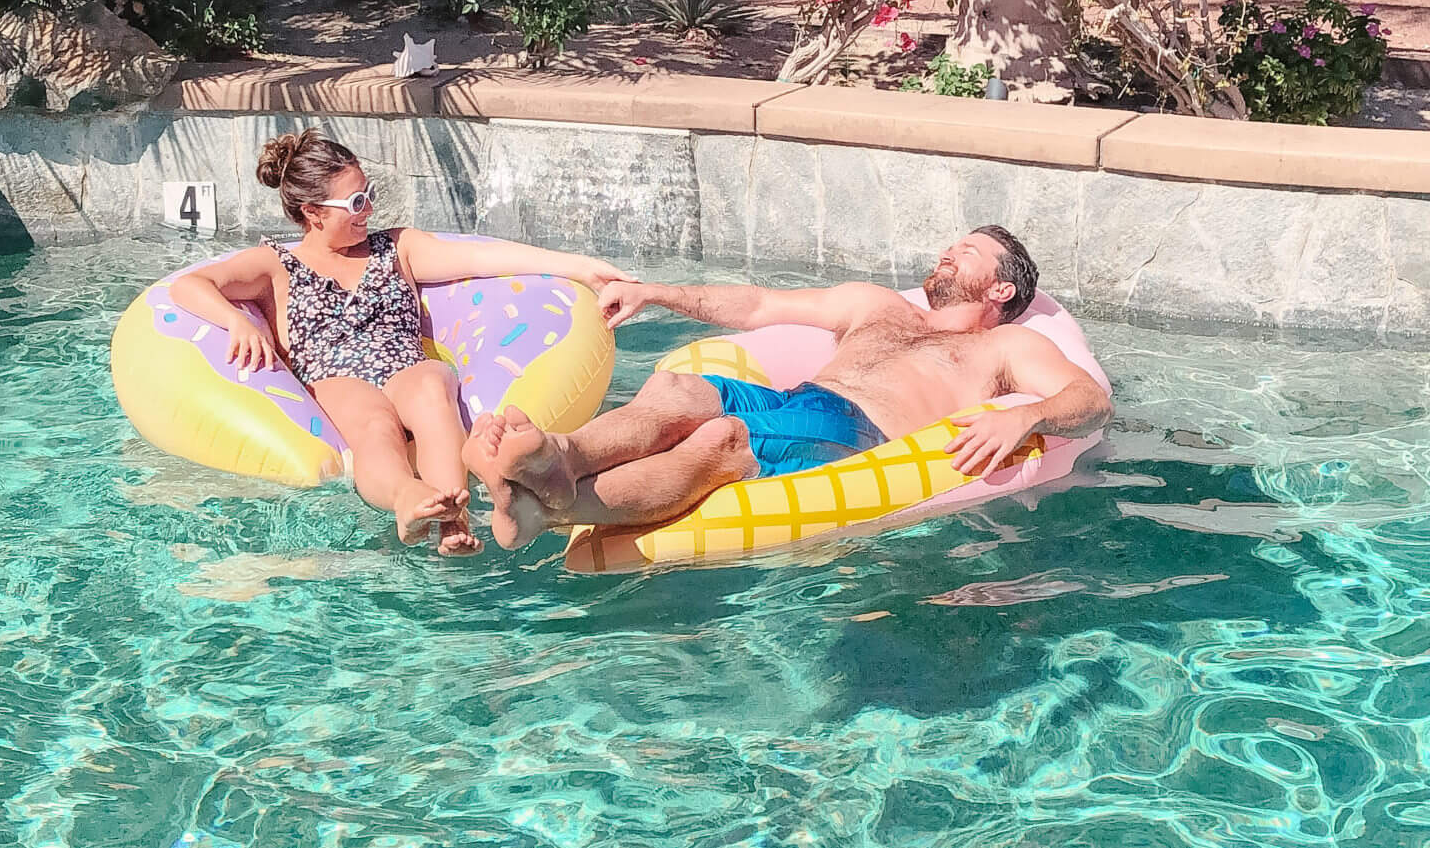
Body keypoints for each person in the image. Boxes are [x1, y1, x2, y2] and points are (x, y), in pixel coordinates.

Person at [463, 225, 1111, 550]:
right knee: (679, 388)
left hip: (857, 430)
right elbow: (758, 305)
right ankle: (557, 457)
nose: (946, 255)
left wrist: (1021, 420)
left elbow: (1089, 400)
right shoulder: (877, 304)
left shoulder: (1004, 345)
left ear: (1001, 288)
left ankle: (550, 505)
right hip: (796, 400)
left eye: (966, 252)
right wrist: (655, 292)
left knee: (724, 438)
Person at [168, 127, 634, 556]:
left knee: (434, 385)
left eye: (367, 195)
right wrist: (236, 320)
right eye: (354, 204)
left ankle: (452, 512)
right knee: (373, 425)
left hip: (405, 366)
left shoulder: (397, 247)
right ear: (312, 213)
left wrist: (577, 266)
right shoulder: (274, 265)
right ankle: (407, 498)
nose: (368, 210)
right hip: (335, 377)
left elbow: (483, 256)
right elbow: (189, 286)